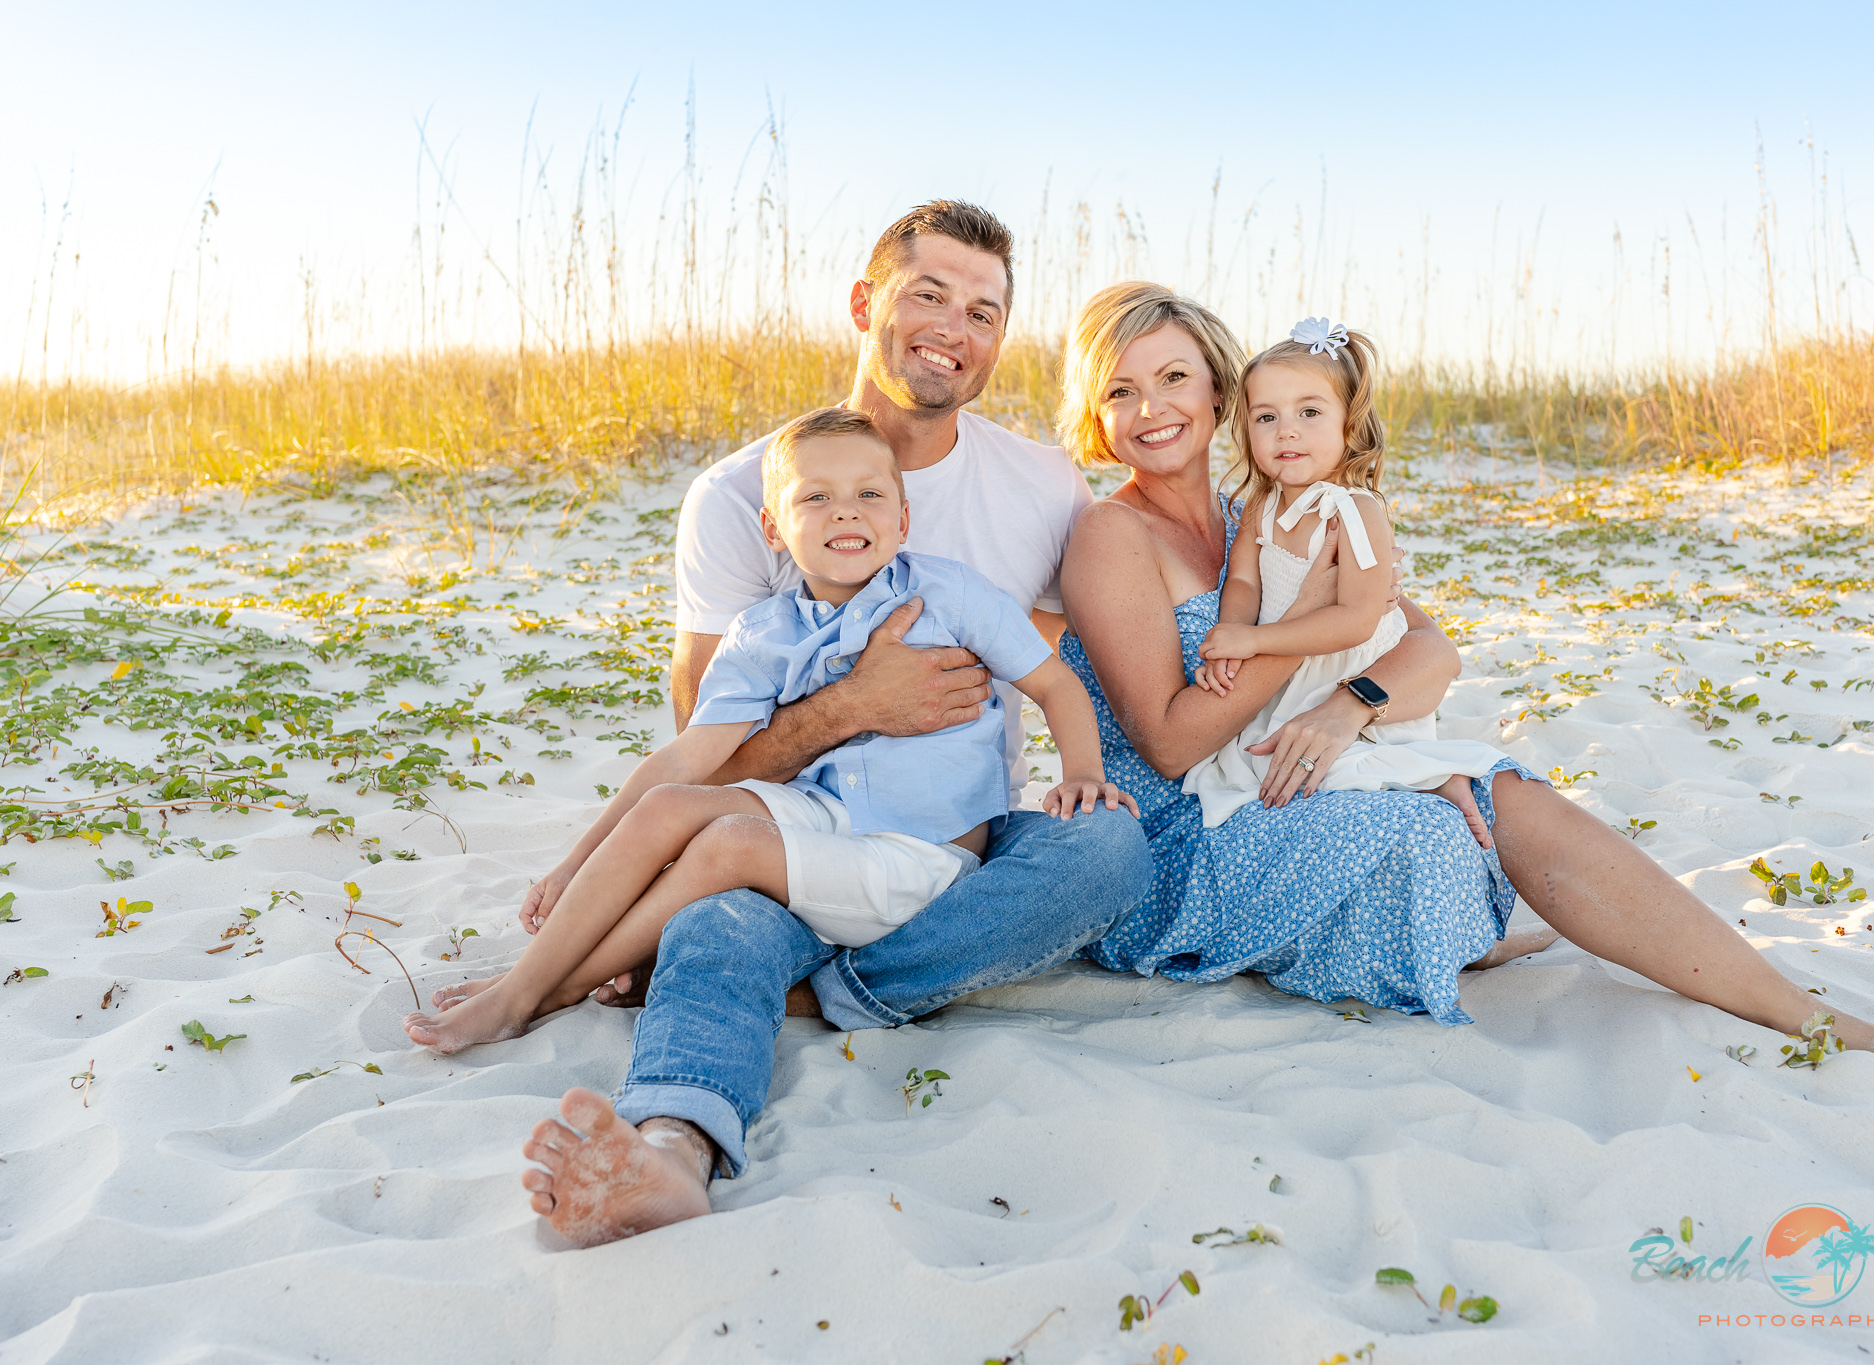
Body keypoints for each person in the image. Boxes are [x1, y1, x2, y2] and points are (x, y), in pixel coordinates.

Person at [1052, 279, 1874, 1078]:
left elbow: (1427, 651)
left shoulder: (1271, 510)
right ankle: (1469, 939)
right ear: (1096, 414)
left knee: (1495, 791)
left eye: (1173, 376)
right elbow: (1173, 741)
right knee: (1430, 827)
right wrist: (1307, 640)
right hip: (1186, 836)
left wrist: (1351, 706)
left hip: (1284, 773)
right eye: (1120, 389)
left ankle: (1797, 1010)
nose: (1150, 408)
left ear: (1220, 389)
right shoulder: (1112, 534)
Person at [516, 203, 1153, 1248]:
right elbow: (711, 753)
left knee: (1107, 850)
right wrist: (855, 706)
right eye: (927, 294)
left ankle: (826, 997)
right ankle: (673, 1150)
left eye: (983, 311)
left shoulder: (1040, 485)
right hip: (790, 840)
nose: (955, 326)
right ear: (866, 304)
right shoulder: (743, 496)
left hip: (953, 845)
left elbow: (1067, 665)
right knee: (717, 921)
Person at [401, 409, 1133, 1055]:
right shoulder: (766, 631)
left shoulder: (949, 593)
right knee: (670, 811)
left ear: (903, 519)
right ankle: (527, 982)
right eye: (816, 497)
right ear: (774, 528)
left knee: (728, 845)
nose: (847, 513)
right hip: (821, 818)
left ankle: (539, 992)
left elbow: (1055, 684)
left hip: (923, 854)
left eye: (869, 495)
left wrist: (1081, 769)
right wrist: (572, 863)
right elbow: (690, 759)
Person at [1182, 315, 1508, 833]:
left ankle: (1432, 776)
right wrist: (1231, 642)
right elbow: (1243, 582)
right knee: (1254, 762)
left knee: (1331, 767)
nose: (1286, 429)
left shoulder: (1354, 511)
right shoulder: (1260, 507)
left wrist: (1258, 639)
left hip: (1343, 668)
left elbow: (1357, 619)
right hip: (1287, 670)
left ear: (1347, 425)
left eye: (1309, 411)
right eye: (1266, 417)